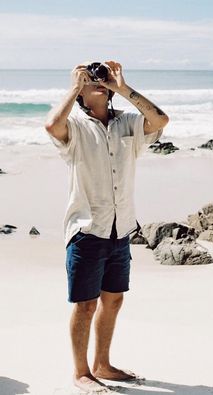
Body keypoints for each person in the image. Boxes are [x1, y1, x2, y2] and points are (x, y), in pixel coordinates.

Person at [45, 60, 169, 393]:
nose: (97, 81)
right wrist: (74, 86)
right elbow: (50, 126)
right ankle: (81, 372)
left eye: (100, 77)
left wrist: (122, 87)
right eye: (90, 79)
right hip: (87, 229)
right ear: (81, 90)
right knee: (85, 304)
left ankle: (103, 364)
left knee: (113, 300)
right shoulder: (74, 126)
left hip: (121, 228)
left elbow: (160, 120)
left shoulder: (126, 122)